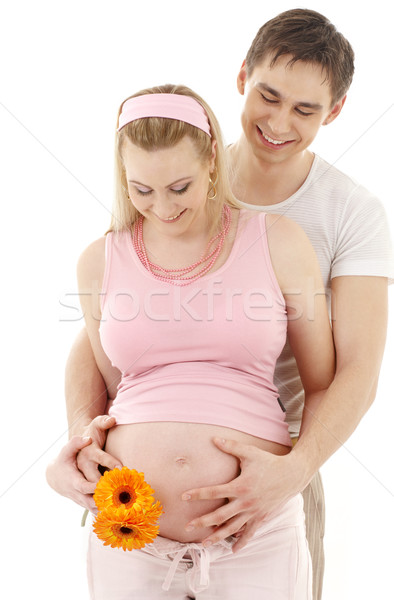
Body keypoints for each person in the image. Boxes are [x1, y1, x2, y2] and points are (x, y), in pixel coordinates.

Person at [46, 9, 394, 600]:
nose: (279, 121)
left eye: (305, 109)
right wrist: (82, 436)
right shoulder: (172, 173)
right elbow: (105, 332)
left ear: (334, 113)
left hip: (280, 466)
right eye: (269, 95)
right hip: (135, 504)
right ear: (241, 78)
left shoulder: (347, 214)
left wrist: (294, 468)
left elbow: (354, 371)